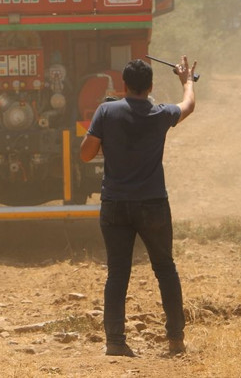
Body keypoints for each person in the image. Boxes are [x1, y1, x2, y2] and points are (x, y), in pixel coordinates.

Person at [80, 56, 197, 357]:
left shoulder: (107, 111)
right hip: (153, 203)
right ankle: (175, 339)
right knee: (165, 269)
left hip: (115, 204)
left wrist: (102, 136)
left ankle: (115, 342)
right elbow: (188, 106)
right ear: (151, 86)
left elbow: (85, 154)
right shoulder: (160, 114)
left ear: (124, 85)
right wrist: (186, 82)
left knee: (117, 273)